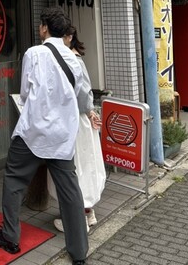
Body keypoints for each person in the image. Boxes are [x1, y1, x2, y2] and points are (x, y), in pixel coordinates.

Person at [0, 7, 89, 265]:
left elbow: (25, 93)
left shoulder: (34, 53)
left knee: (14, 180)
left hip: (33, 133)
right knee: (70, 192)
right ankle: (79, 253)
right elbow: (77, 96)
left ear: (44, 27)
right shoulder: (74, 60)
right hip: (62, 136)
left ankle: (10, 237)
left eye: (40, 25)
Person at [51, 26, 106, 233]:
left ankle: (77, 221)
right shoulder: (76, 58)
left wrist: (89, 110)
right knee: (86, 166)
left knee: (76, 168)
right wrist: (91, 111)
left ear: (68, 38)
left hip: (75, 122)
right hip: (82, 121)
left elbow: (82, 94)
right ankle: (88, 213)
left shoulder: (71, 59)